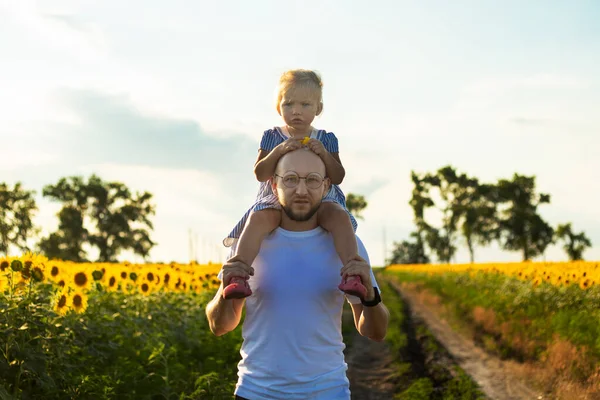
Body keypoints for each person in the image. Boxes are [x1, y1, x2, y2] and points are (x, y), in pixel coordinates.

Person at [206, 148, 390, 400]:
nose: (301, 191)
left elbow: (375, 332)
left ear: (326, 186)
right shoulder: (248, 245)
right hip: (256, 391)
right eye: (290, 179)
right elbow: (219, 326)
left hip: (328, 392)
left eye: (312, 180)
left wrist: (370, 297)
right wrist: (223, 296)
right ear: (273, 184)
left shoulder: (348, 246)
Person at [221, 69, 366, 300]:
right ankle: (239, 272)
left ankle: (352, 273)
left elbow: (337, 176)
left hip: (322, 195)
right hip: (276, 195)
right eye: (289, 104)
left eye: (305, 105)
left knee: (338, 216)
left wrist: (325, 156)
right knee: (258, 218)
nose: (296, 111)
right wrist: (278, 151)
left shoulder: (326, 138)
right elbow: (260, 173)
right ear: (278, 106)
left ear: (318, 108)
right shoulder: (272, 136)